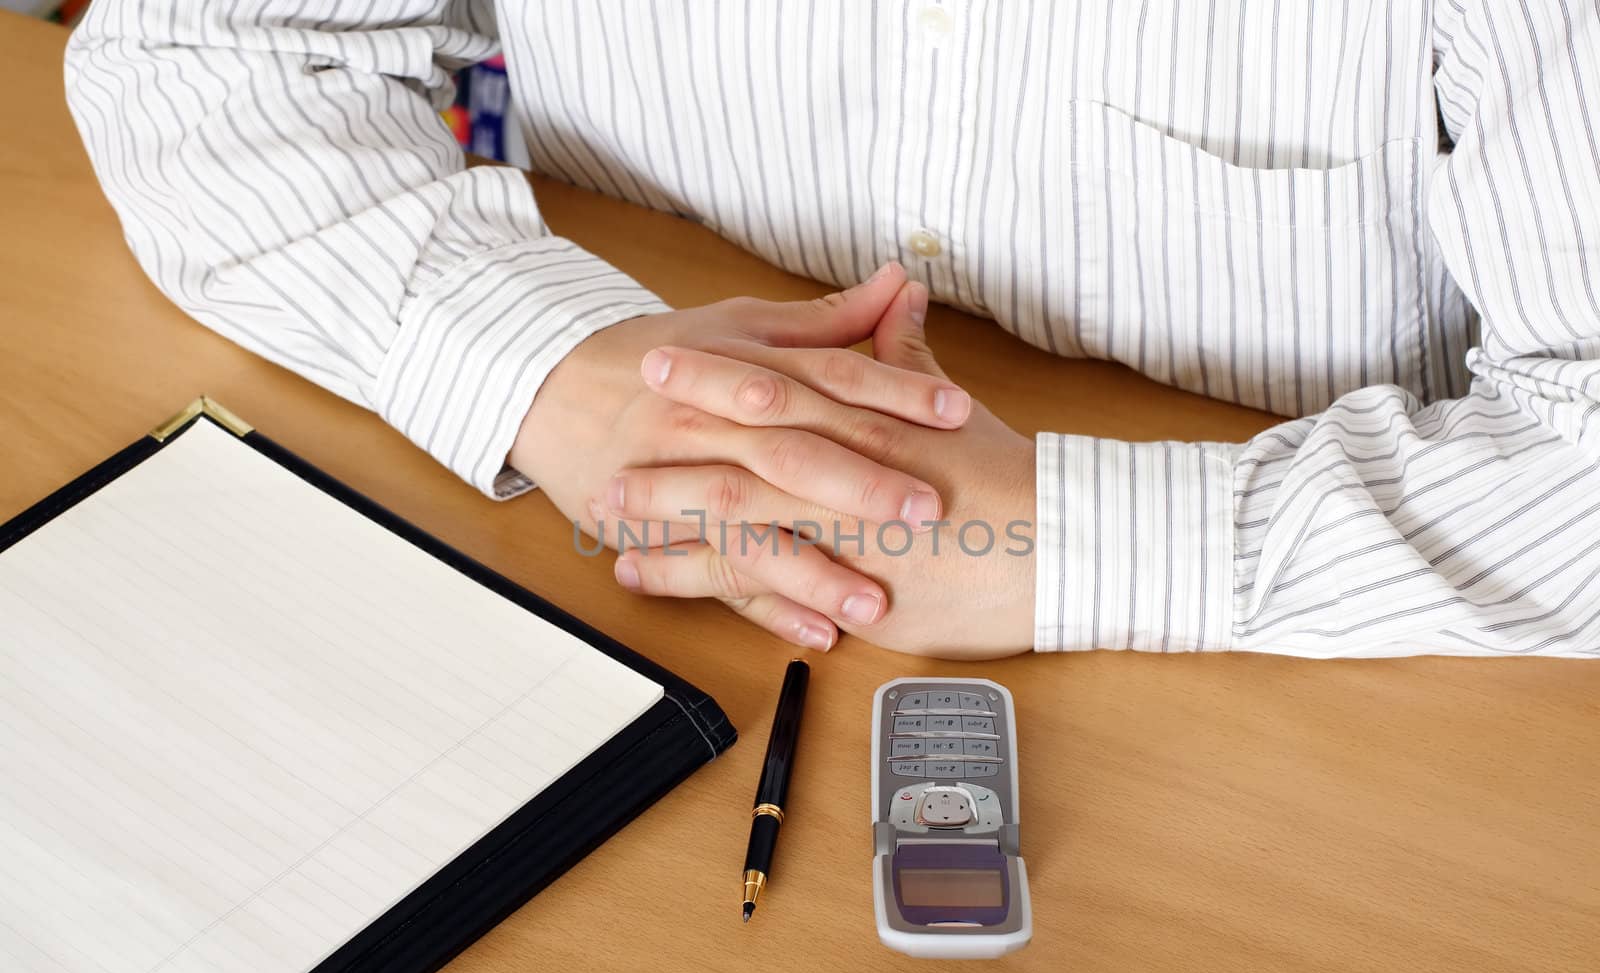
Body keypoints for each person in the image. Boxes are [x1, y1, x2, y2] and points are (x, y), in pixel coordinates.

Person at [66, 2, 1600, 659]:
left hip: (1326, 698)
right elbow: (207, 50)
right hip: (626, 571)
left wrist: (1055, 537)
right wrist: (555, 365)